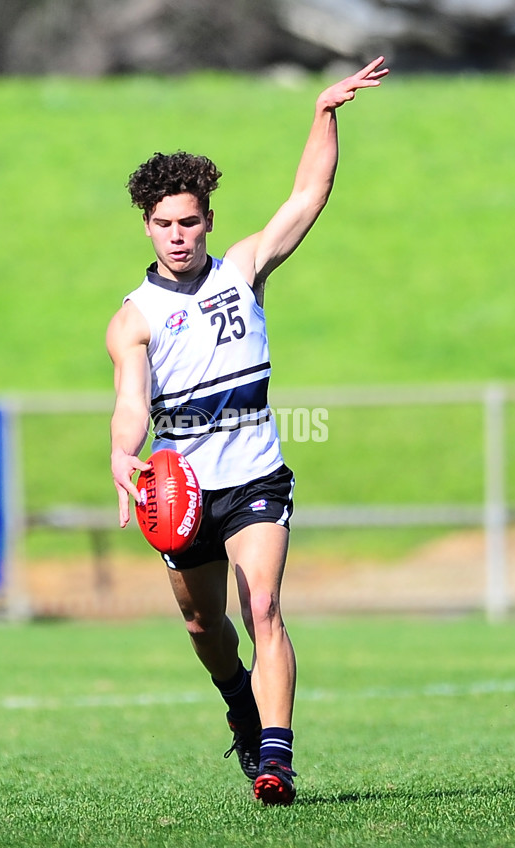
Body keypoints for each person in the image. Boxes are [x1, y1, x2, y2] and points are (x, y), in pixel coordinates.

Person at [106, 56, 389, 806]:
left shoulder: (242, 270)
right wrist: (122, 453)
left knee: (262, 604)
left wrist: (323, 111)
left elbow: (308, 194)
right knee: (206, 626)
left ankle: (276, 758)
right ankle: (238, 698)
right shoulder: (133, 318)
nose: (177, 236)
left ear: (208, 220)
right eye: (164, 224)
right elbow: (132, 401)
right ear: (147, 225)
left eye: (189, 221)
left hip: (256, 476)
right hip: (181, 491)